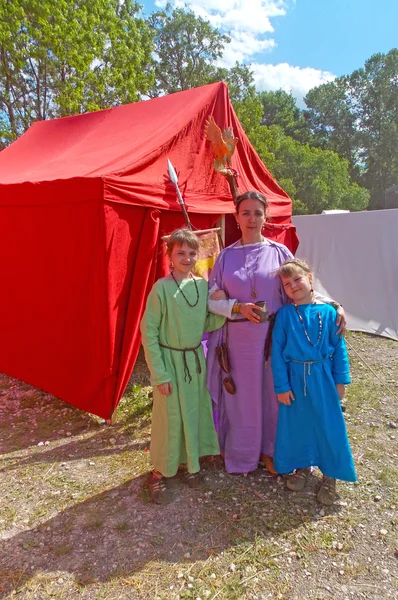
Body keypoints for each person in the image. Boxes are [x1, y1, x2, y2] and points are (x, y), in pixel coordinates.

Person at [206, 191, 346, 475]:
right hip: (237, 342)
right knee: (241, 397)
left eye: (258, 213)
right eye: (245, 212)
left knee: (273, 396)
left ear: (265, 216)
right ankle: (242, 453)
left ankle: (270, 452)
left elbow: (299, 285)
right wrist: (236, 307)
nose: (252, 218)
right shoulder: (225, 257)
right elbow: (211, 299)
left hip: (274, 341)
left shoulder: (279, 252)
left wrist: (332, 304)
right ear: (236, 217)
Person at [140, 229, 225, 504]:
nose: (187, 258)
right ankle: (159, 473)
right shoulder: (161, 288)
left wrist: (223, 311)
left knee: (194, 413)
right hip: (171, 363)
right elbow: (149, 332)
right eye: (181, 253)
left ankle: (191, 465)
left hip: (194, 361)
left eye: (191, 253)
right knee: (170, 417)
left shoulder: (201, 286)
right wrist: (160, 374)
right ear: (170, 256)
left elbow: (204, 324)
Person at [271, 258, 356, 505]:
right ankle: (302, 466)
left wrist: (340, 381)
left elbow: (339, 349)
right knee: (298, 424)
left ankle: (331, 475)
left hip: (323, 378)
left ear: (310, 279)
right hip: (295, 378)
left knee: (328, 426)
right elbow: (277, 353)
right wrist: (282, 386)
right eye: (287, 284)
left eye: (297, 279)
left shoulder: (330, 313)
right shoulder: (285, 315)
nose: (293, 285)